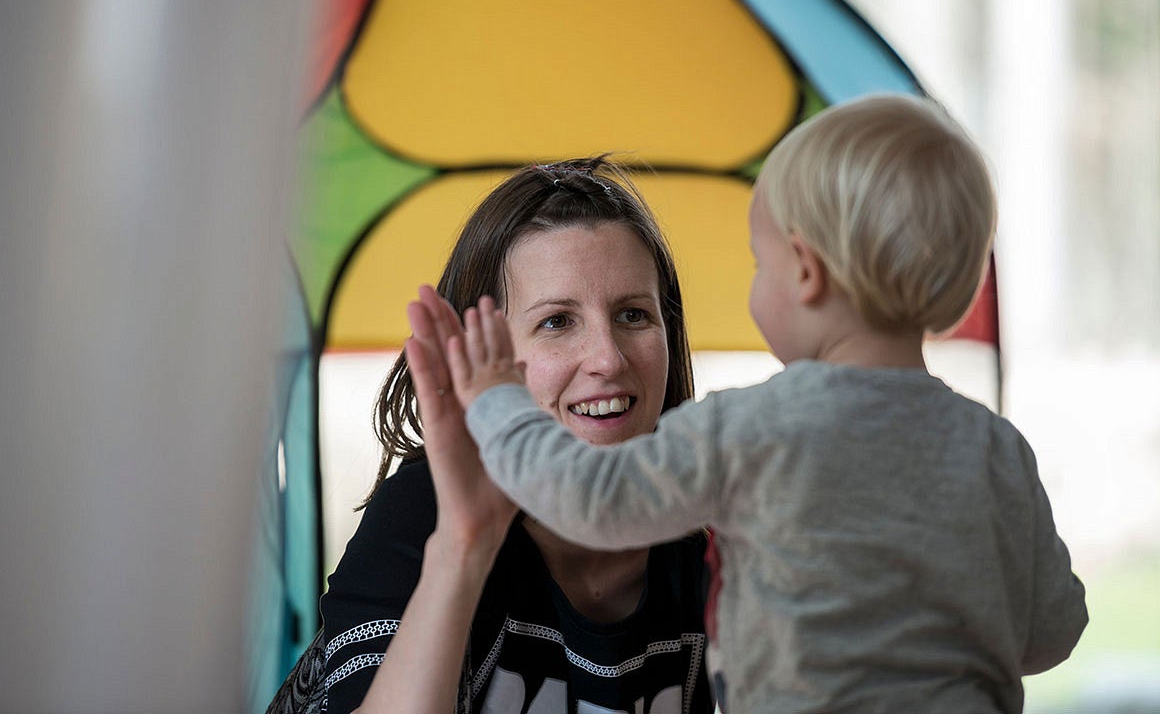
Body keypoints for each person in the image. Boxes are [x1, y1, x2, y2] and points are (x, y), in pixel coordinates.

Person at [422, 95, 1089, 713]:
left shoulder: (749, 429)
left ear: (805, 271)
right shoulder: (995, 448)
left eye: (758, 264)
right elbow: (1052, 631)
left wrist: (497, 404)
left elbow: (591, 500)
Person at [319, 157, 715, 713]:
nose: (607, 357)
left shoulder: (709, 543)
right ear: (486, 357)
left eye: (632, 315)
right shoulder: (424, 511)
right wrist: (463, 545)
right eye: (557, 321)